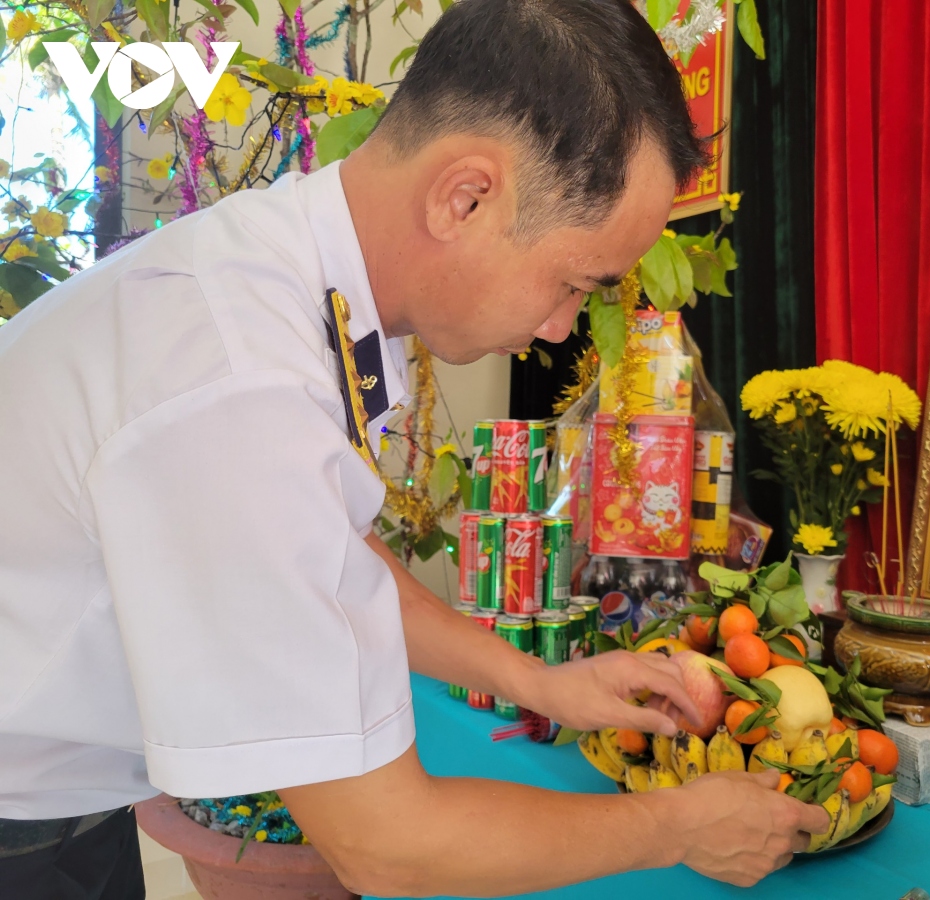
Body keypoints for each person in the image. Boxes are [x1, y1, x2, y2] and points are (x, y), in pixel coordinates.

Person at [0, 1, 828, 897]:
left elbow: (326, 551)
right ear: (464, 195)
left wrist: (538, 681)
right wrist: (675, 825)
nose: (558, 331)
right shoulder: (239, 379)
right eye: (571, 283)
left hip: (63, 801)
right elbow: (385, 845)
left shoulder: (289, 275)